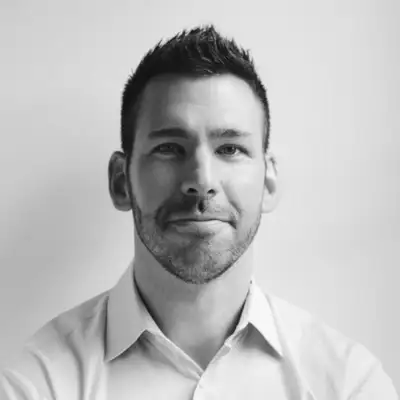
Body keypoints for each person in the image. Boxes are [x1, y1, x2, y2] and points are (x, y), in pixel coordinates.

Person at [0, 24, 397, 400]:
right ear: (121, 182)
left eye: (230, 149)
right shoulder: (37, 384)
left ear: (268, 182)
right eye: (169, 148)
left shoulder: (348, 383)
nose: (201, 180)